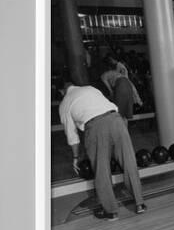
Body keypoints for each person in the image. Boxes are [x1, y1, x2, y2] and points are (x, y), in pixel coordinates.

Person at [59, 83, 147, 220]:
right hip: (116, 120)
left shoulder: (65, 103)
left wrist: (76, 157)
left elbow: (72, 137)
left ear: (62, 91)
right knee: (129, 161)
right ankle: (140, 203)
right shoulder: (90, 88)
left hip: (95, 127)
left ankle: (111, 211)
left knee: (102, 169)